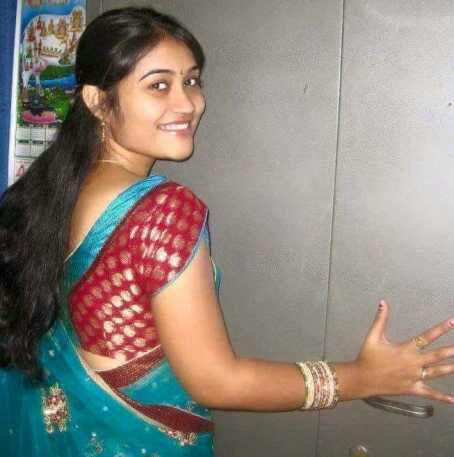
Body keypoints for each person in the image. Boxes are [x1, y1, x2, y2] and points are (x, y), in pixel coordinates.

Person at [1, 6, 454, 457]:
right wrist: (361, 378)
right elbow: (217, 382)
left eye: (191, 81)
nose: (188, 104)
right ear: (98, 101)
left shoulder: (56, 189)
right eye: (159, 85)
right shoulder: (161, 210)